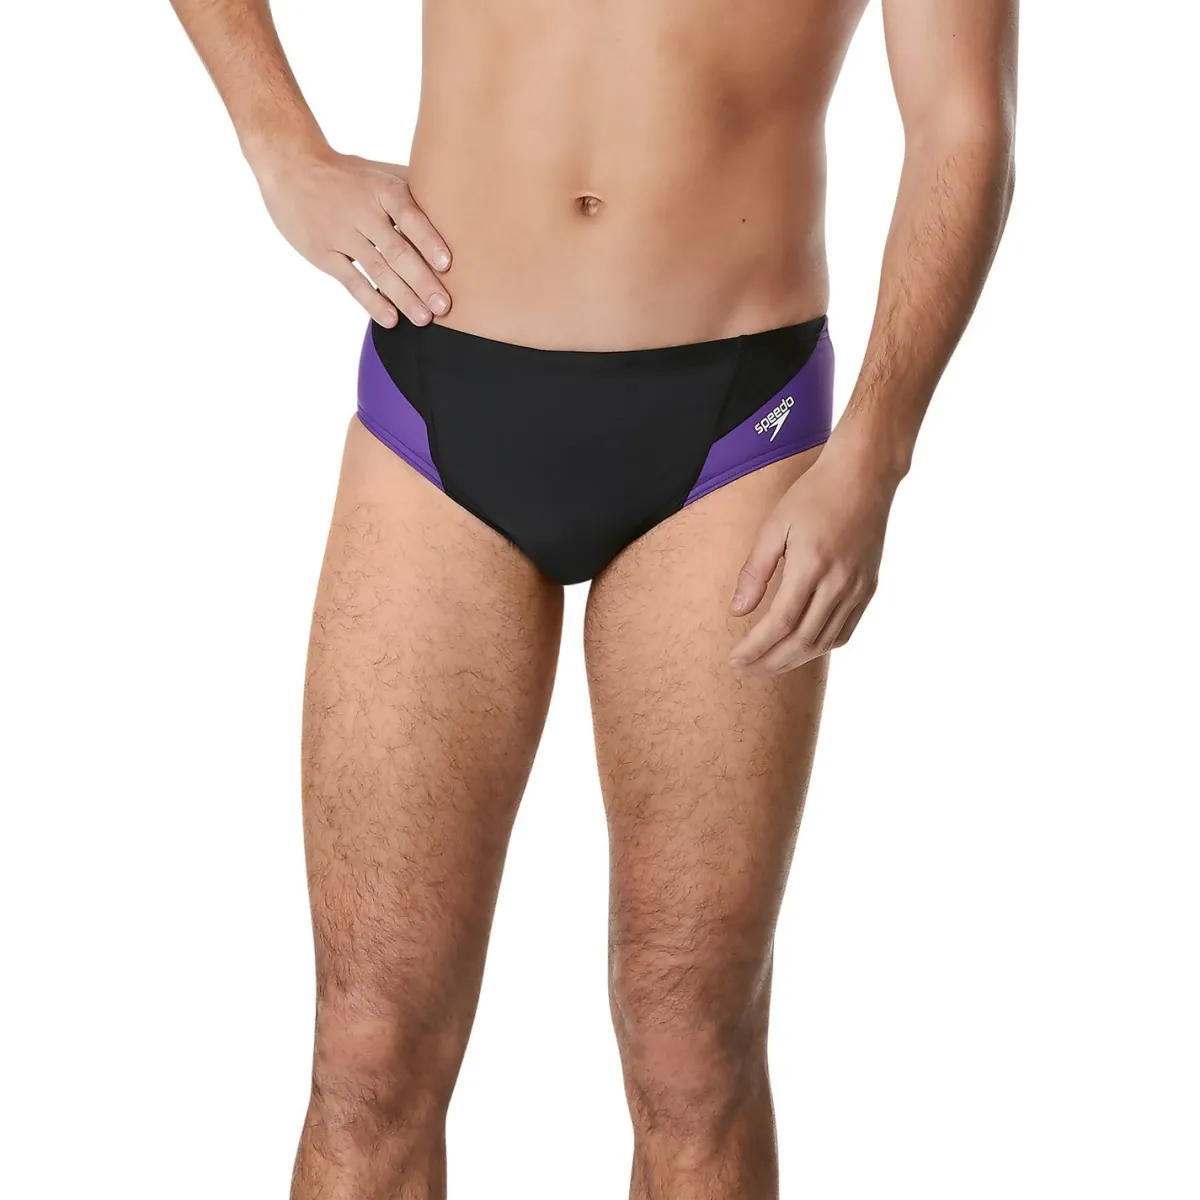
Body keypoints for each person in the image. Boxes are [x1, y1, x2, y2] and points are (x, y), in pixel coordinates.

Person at [171, 0, 1017, 1195]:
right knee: (367, 1049)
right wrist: (280, 145)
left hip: (737, 427)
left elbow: (962, 124)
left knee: (692, 1053)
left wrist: (874, 454)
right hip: (438, 397)